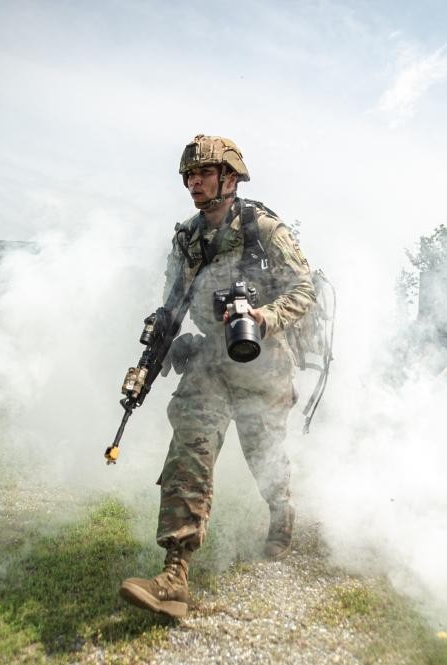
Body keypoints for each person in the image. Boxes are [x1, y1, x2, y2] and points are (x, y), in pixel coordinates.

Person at [119, 135, 315, 619]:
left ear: (230, 178)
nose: (193, 182)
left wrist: (265, 317)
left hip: (262, 359)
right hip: (211, 360)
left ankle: (281, 510)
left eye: (204, 173)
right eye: (189, 175)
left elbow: (303, 288)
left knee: (263, 453)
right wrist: (158, 350)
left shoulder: (262, 228)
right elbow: (173, 301)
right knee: (191, 444)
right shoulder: (186, 237)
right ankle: (174, 573)